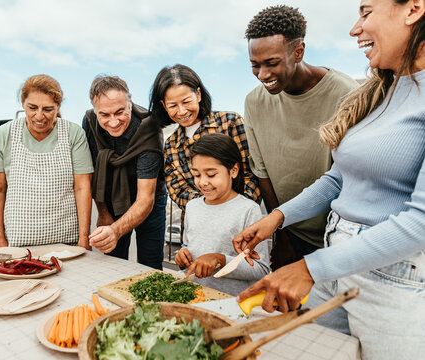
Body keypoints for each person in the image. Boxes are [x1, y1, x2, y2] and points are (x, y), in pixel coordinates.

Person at [234, 0, 425, 358]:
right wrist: (276, 219)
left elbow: (421, 222)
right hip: (336, 262)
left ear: (413, 9)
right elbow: (338, 179)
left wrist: (309, 266)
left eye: (366, 13)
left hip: (394, 282)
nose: (355, 28)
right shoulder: (382, 90)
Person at [243, 5, 359, 270]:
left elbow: (348, 176)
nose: (263, 75)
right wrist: (282, 235)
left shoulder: (347, 95)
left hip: (338, 237)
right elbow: (262, 173)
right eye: (255, 65)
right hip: (288, 232)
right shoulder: (254, 102)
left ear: (298, 52)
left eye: (272, 63)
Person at [149, 64, 260, 239]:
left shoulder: (231, 123)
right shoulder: (170, 145)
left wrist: (232, 210)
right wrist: (208, 206)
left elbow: (252, 173)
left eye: (186, 102)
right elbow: (177, 191)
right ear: (163, 105)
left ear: (198, 94)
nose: (182, 111)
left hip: (240, 227)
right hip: (196, 233)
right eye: (173, 105)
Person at [0, 74, 93, 249]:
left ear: (58, 106)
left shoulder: (74, 134)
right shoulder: (4, 134)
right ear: (23, 103)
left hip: (66, 240)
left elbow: (82, 187)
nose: (39, 116)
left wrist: (83, 239)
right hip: (17, 241)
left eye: (48, 109)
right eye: (32, 108)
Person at [82, 75, 166, 269]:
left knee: (151, 264)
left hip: (150, 200)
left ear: (130, 102)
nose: (113, 122)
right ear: (95, 110)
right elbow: (93, 170)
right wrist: (103, 212)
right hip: (111, 199)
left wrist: (115, 230)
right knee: (113, 262)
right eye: (104, 115)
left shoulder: (149, 127)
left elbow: (146, 198)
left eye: (119, 112)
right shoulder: (89, 121)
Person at [175, 134, 270, 296]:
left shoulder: (248, 210)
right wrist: (181, 255)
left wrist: (221, 259)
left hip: (233, 303)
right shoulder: (192, 207)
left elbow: (261, 269)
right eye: (197, 175)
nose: (203, 182)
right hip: (196, 297)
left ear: (233, 170)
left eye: (211, 174)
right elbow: (187, 246)